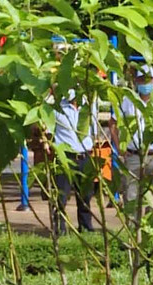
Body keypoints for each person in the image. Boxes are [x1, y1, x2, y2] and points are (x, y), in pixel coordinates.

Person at [110, 65, 153, 209]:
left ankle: (150, 227)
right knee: (131, 193)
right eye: (142, 79)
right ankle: (134, 228)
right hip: (133, 155)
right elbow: (113, 124)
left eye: (149, 80)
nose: (145, 84)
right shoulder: (128, 101)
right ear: (136, 81)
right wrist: (120, 147)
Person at [50, 89, 96, 235]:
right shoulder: (57, 108)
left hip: (85, 156)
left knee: (85, 196)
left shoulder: (89, 106)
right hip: (65, 157)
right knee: (61, 196)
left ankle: (86, 227)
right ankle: (60, 230)